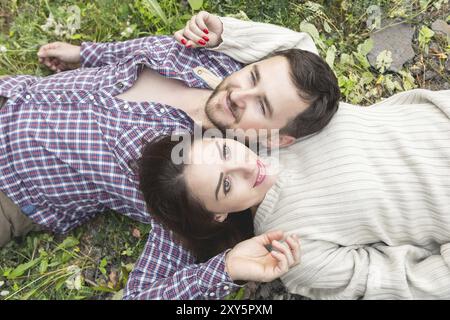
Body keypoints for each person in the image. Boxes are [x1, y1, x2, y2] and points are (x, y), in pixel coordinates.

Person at [0, 11, 340, 299]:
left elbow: (142, 293)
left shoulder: (191, 180)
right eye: (253, 76)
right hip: (14, 92)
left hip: (12, 187)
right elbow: (138, 51)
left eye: (261, 106)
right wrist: (86, 53)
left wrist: (224, 269)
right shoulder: (212, 56)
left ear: (277, 138)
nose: (240, 94)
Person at [139, 88, 450, 299]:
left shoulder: (272, 124)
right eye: (227, 185)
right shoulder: (291, 248)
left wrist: (226, 34)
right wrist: (228, 267)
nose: (245, 166)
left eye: (223, 150)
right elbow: (398, 283)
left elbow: (295, 55)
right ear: (218, 214)